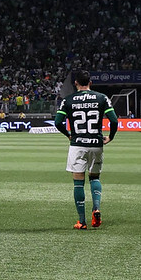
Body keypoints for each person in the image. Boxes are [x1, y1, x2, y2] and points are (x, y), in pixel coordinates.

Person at [54, 73, 118, 229]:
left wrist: (69, 135)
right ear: (90, 82)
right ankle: (96, 208)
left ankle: (82, 221)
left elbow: (58, 122)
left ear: (76, 83)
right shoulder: (102, 98)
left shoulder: (68, 100)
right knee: (95, 178)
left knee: (78, 183)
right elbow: (114, 120)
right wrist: (111, 137)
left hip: (78, 144)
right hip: (96, 143)